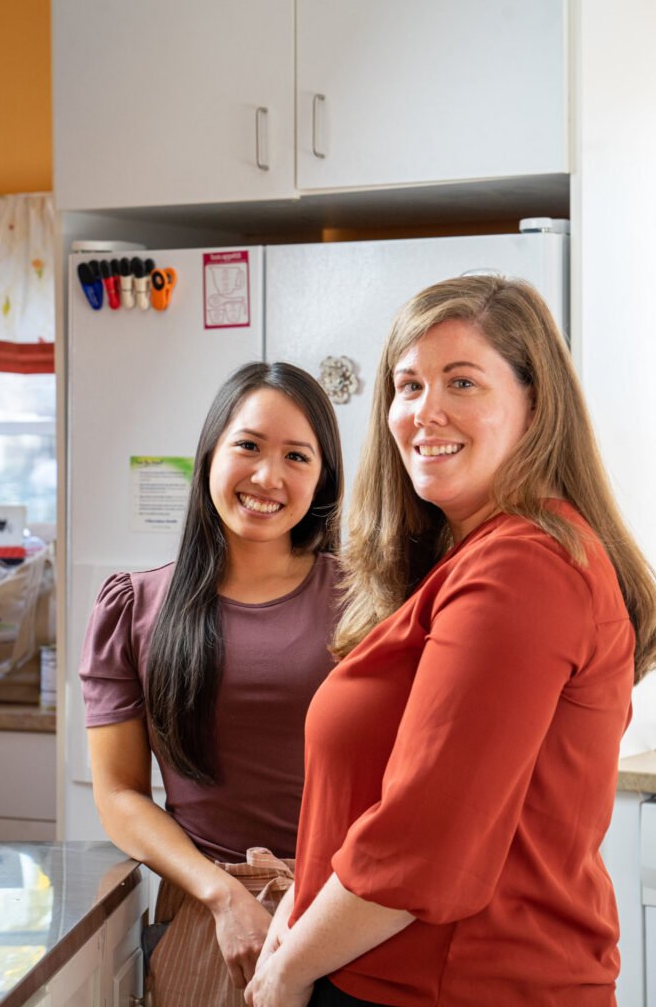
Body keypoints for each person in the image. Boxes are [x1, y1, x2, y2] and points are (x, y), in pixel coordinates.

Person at [245, 276, 656, 1007]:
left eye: (460, 381)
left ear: (535, 405)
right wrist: (299, 919)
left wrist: (285, 969)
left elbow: (423, 845)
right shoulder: (477, 559)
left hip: (454, 987)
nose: (423, 411)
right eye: (407, 386)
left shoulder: (520, 569)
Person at [79, 361, 344, 1006]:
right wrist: (225, 896)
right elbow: (118, 793)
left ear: (323, 480)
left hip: (343, 914)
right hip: (205, 917)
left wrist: (313, 903)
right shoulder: (134, 607)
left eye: (297, 457)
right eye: (248, 446)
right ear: (208, 457)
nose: (267, 477)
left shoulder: (368, 603)